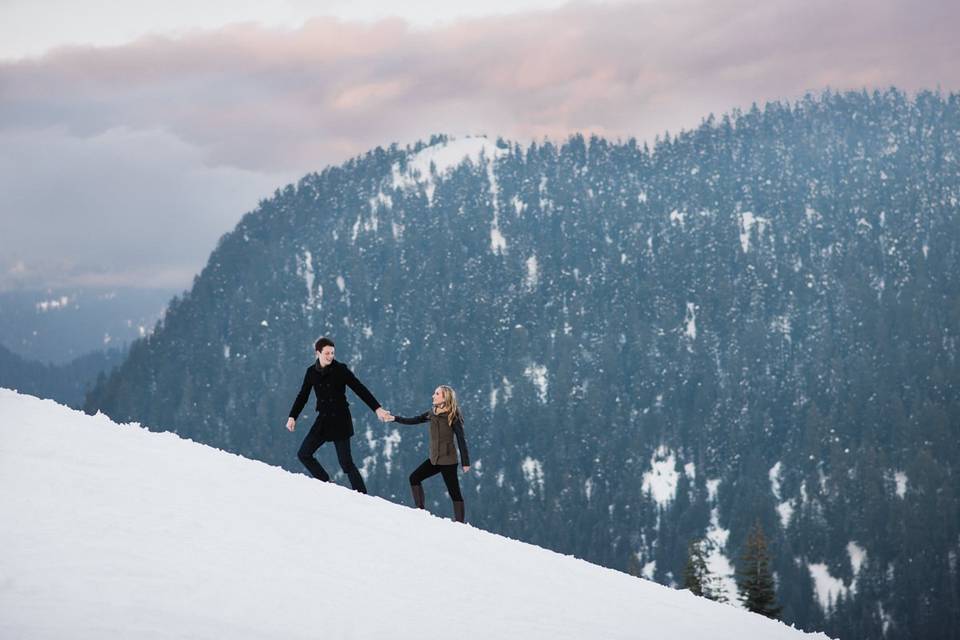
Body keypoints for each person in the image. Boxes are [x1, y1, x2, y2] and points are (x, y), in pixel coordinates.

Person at [286, 337, 392, 493]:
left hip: (341, 420)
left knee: (346, 463)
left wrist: (377, 408)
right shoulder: (311, 372)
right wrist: (292, 416)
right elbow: (303, 396)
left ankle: (363, 496)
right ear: (317, 353)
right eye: (327, 353)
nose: (330, 356)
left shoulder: (340, 369)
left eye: (332, 353)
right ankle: (326, 484)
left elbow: (359, 388)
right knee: (304, 454)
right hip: (323, 420)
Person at [386, 385, 470, 522]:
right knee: (414, 478)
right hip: (435, 460)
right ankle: (420, 511)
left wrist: (466, 462)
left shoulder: (453, 416)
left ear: (444, 398)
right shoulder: (432, 413)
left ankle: (460, 523)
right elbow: (414, 420)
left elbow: (461, 439)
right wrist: (394, 418)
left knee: (455, 493)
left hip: (448, 461)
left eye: (437, 393)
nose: (433, 395)